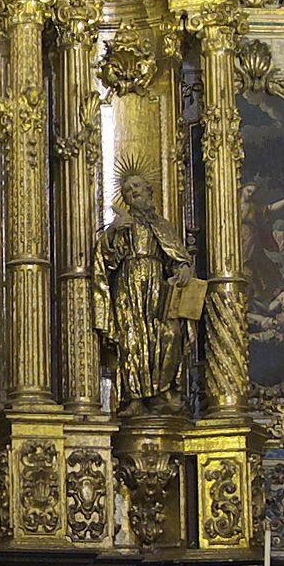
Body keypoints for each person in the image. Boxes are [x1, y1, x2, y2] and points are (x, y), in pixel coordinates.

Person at [96, 171, 195, 409]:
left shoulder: (162, 226)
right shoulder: (122, 226)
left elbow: (175, 255)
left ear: (149, 190)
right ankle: (134, 398)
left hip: (158, 288)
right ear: (126, 200)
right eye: (129, 190)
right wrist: (113, 231)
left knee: (169, 335)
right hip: (128, 288)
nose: (134, 191)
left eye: (138, 186)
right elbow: (107, 260)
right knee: (132, 341)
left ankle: (163, 391)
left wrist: (182, 267)